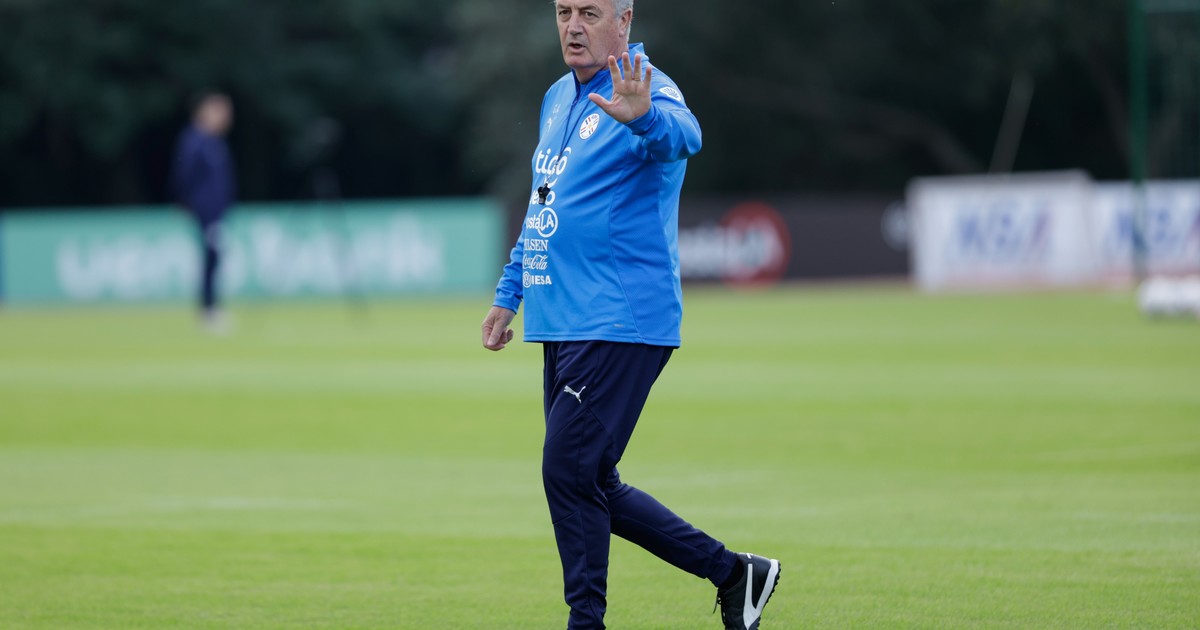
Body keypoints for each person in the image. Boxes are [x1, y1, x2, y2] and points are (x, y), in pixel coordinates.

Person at [480, 1, 780, 628]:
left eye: (590, 12)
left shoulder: (645, 85)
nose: (573, 26)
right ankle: (735, 574)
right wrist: (510, 293)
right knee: (587, 478)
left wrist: (644, 118)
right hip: (563, 320)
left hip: (621, 316)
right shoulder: (556, 97)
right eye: (564, 11)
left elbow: (685, 137)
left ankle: (585, 622)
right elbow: (544, 205)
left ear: (625, 21)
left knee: (567, 469)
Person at [170, 92, 235, 332]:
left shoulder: (214, 141)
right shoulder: (194, 140)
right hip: (205, 210)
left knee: (214, 256)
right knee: (210, 256)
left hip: (217, 211)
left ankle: (210, 306)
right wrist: (185, 202)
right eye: (221, 112)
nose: (226, 118)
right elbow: (184, 175)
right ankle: (208, 309)